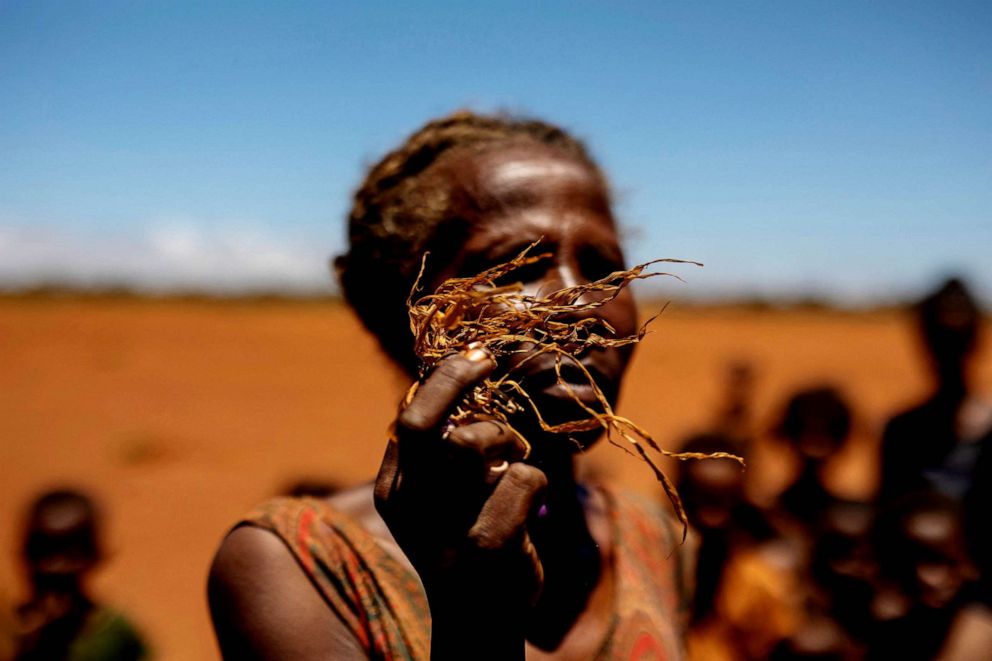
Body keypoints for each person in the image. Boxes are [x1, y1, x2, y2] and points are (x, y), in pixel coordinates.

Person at [208, 111, 694, 660]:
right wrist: (474, 623)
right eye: (515, 267)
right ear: (399, 314)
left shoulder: (653, 537)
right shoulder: (301, 568)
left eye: (606, 266)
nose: (582, 305)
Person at [879, 278, 991, 504]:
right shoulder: (902, 432)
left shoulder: (902, 430)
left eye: (957, 338)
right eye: (941, 338)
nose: (949, 351)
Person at [13, 489, 148, 661]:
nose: (55, 568)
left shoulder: (115, 635)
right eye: (44, 552)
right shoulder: (9, 631)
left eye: (70, 557)